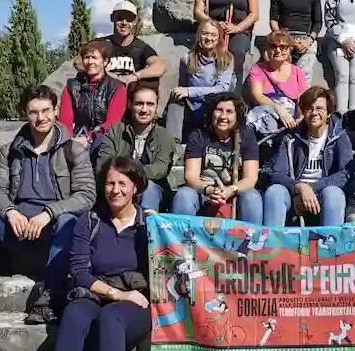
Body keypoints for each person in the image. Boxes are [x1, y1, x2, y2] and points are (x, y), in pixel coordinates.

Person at [0, 85, 95, 325]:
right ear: (26, 113)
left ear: (56, 111)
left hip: (52, 228)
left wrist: (49, 213)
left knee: (68, 222)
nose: (41, 117)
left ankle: (50, 299)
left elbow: (86, 195)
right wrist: (10, 212)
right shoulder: (11, 150)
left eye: (46, 110)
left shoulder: (73, 151)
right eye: (34, 112)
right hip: (18, 227)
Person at [26, 157, 151, 351]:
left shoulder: (149, 226)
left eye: (122, 183)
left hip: (134, 306)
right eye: (109, 183)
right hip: (97, 293)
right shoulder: (90, 222)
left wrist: (130, 296)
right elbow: (80, 272)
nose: (115, 190)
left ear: (135, 187)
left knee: (112, 315)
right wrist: (117, 293)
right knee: (74, 313)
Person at [263, 86, 354, 227]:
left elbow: (345, 173)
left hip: (323, 193)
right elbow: (276, 173)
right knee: (274, 192)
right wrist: (299, 187)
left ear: (329, 113)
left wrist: (312, 188)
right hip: (295, 193)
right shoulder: (290, 137)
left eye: (319, 109)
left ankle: (330, 245)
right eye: (309, 108)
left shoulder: (339, 137)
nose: (314, 113)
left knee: (333, 194)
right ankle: (273, 245)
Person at [172, 92, 263, 225]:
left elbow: (251, 178)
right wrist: (209, 190)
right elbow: (191, 176)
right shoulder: (198, 136)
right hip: (204, 191)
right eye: (219, 110)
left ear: (237, 115)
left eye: (229, 111)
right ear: (211, 113)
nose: (223, 116)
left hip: (235, 192)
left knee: (253, 198)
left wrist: (230, 190)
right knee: (184, 195)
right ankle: (181, 242)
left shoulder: (247, 137)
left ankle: (250, 243)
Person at [97, 83, 175, 213]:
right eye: (139, 103)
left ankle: (143, 228)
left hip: (153, 189)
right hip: (118, 188)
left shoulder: (164, 135)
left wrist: (129, 176)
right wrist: (125, 181)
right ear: (129, 104)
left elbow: (161, 168)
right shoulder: (116, 131)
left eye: (150, 104)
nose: (144, 109)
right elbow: (103, 164)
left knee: (149, 188)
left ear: (156, 106)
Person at [164, 18, 235, 142]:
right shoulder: (187, 59)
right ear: (199, 35)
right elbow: (183, 86)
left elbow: (222, 89)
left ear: (219, 38)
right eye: (205, 33)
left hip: (214, 105)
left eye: (213, 35)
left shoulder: (226, 59)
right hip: (192, 105)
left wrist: (190, 91)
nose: (209, 38)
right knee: (175, 98)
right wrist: (183, 92)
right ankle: (172, 143)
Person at [58, 39, 128, 154]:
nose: (90, 61)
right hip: (75, 142)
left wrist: (88, 138)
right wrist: (70, 143)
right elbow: (65, 122)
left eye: (94, 57)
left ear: (105, 61)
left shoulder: (117, 88)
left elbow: (112, 123)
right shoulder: (71, 87)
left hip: (105, 143)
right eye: (86, 57)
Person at [269, 0, 322, 82]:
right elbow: (273, 21)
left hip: (306, 40)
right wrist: (287, 41)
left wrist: (308, 41)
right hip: (284, 39)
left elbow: (318, 22)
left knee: (303, 76)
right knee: (281, 75)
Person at [246, 31, 309, 138]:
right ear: (267, 49)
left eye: (283, 47)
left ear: (290, 49)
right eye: (273, 46)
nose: (278, 50)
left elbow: (302, 99)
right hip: (267, 112)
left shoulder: (297, 71)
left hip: (292, 116)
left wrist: (299, 117)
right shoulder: (258, 69)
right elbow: (256, 95)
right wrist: (278, 109)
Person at [103, 0, 166, 86]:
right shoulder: (101, 44)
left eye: (129, 19)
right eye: (120, 18)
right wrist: (104, 72)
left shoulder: (141, 47)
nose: (124, 23)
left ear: (135, 21)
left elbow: (160, 66)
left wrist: (135, 76)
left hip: (130, 94)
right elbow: (79, 62)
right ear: (112, 18)